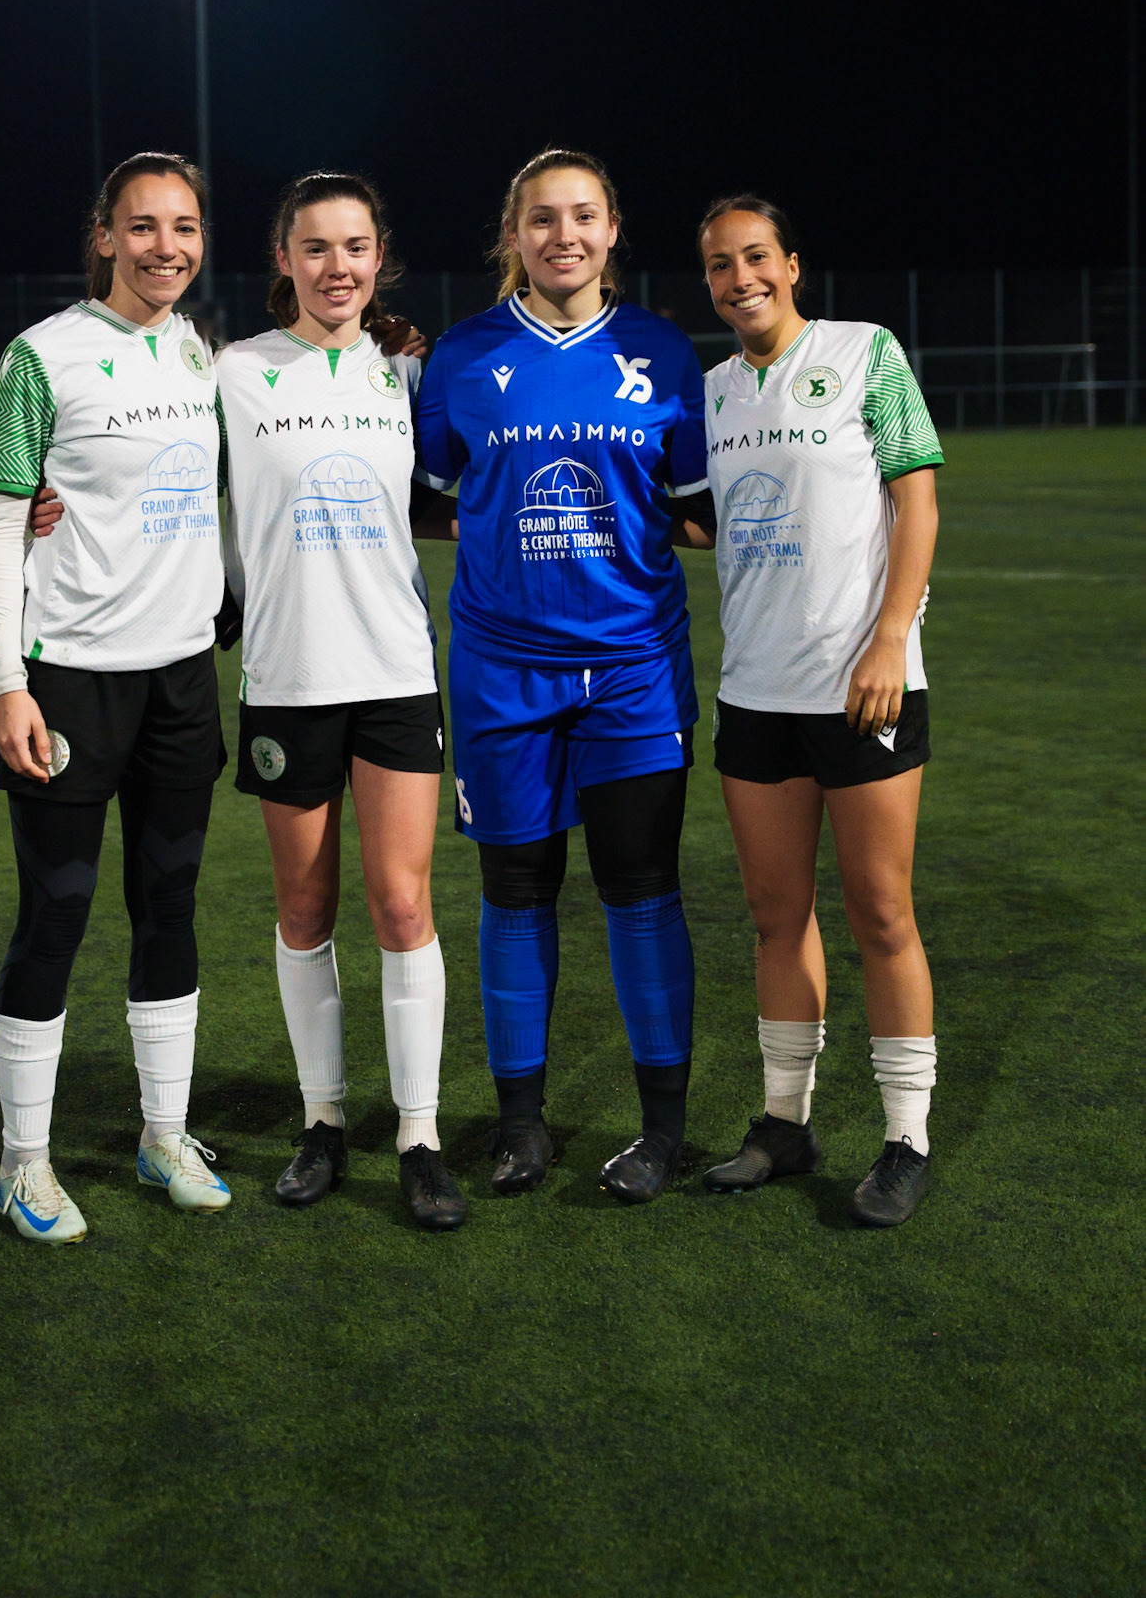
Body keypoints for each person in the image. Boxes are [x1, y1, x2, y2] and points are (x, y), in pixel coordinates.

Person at [412, 149, 708, 1204]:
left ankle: (662, 1131)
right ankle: (522, 1127)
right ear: (514, 236)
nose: (564, 235)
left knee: (639, 892)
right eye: (543, 219)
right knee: (515, 893)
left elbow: (703, 509)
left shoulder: (665, 355)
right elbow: (429, 494)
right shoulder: (462, 356)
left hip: (632, 669)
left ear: (614, 229)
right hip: (502, 673)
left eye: (583, 216)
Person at [0, 151, 232, 1245]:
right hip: (71, 678)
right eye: (142, 225)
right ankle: (23, 1162)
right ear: (104, 235)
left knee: (168, 909)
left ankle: (161, 1132)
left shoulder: (199, 352)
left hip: (182, 677)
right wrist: (7, 682)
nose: (164, 245)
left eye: (182, 226)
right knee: (57, 915)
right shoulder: (42, 357)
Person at [216, 171, 466, 1231]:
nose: (336, 266)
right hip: (287, 676)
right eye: (315, 247)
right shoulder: (229, 372)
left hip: (398, 672)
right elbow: (151, 478)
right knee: (306, 907)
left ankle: (419, 1131)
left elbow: (464, 496)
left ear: (380, 257)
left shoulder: (408, 373)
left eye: (355, 246)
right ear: (283, 259)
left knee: (403, 904)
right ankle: (322, 1119)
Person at [687, 195, 943, 1228]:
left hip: (863, 684)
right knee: (774, 914)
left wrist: (890, 634)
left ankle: (906, 1136)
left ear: (792, 262)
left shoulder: (864, 350)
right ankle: (784, 1123)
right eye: (717, 264)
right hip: (755, 689)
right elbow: (704, 522)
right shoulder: (710, 391)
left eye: (755, 256)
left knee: (881, 912)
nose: (739, 276)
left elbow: (915, 493)